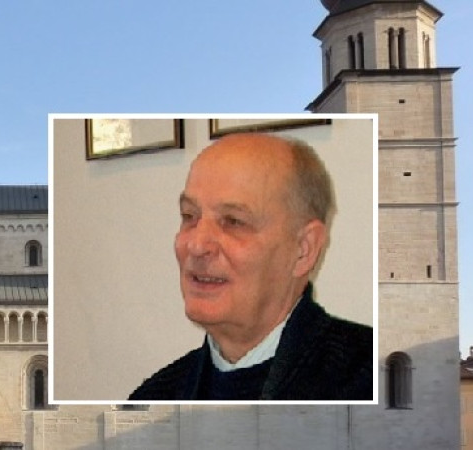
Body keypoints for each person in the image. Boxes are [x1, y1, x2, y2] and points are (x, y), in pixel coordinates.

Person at [128, 133, 372, 401]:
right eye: (189, 216)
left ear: (304, 249)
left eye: (233, 221)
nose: (196, 245)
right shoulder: (153, 401)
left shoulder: (375, 384)